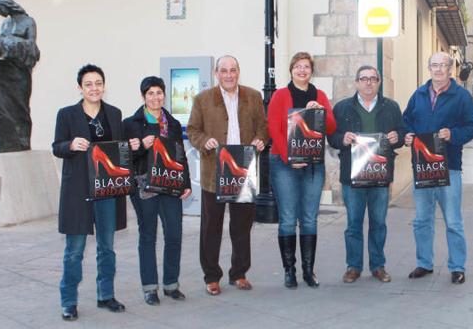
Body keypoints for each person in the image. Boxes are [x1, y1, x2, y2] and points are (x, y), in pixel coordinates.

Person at [52, 65, 140, 321]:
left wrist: (131, 146)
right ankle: (68, 301)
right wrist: (69, 144)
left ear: (104, 86)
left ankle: (106, 295)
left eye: (98, 83)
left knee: (107, 247)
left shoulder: (114, 114)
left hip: (108, 190)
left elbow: (120, 151)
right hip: (78, 190)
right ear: (80, 88)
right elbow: (56, 147)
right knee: (75, 249)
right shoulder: (67, 115)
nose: (94, 88)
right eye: (88, 84)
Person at [187, 55, 268, 296]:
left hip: (244, 170)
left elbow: (263, 127)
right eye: (224, 71)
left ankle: (239, 273)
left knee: (242, 226)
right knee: (211, 227)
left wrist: (260, 140)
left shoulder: (253, 97)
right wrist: (205, 141)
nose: (229, 75)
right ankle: (212, 276)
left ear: (238, 71)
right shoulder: (202, 99)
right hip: (214, 173)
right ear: (216, 73)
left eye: (233, 70)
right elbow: (193, 130)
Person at [403, 52, 473, 285]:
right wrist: (407, 135)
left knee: (453, 221)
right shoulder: (418, 95)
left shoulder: (462, 96)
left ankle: (457, 266)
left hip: (450, 168)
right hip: (423, 167)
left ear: (450, 69)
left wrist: (453, 134)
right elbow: (406, 120)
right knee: (422, 220)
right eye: (434, 65)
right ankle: (424, 263)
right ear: (429, 68)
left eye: (443, 65)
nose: (438, 69)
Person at [329, 65, 405, 283]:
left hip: (380, 176)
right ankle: (353, 267)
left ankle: (378, 266)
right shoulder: (343, 108)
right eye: (364, 79)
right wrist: (342, 139)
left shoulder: (391, 107)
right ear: (356, 82)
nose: (368, 83)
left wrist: (396, 137)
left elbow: (401, 132)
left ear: (379, 82)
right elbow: (331, 136)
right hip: (352, 176)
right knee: (353, 223)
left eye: (373, 78)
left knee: (378, 222)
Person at [267, 52, 337, 289]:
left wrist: (321, 111)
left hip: (313, 164)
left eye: (306, 66)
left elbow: (331, 126)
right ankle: (289, 271)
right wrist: (289, 158)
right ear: (291, 70)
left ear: (311, 70)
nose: (302, 70)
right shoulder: (280, 95)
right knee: (287, 218)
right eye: (297, 66)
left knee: (309, 218)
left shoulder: (320, 95)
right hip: (284, 164)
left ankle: (308, 270)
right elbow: (274, 130)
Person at [123, 76, 192, 305]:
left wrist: (186, 183)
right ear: (143, 97)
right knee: (148, 235)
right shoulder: (131, 124)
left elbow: (180, 155)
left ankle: (171, 284)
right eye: (150, 93)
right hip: (144, 187)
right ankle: (150, 288)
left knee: (174, 234)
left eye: (159, 93)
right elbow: (125, 159)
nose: (155, 97)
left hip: (170, 184)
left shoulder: (172, 123)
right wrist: (142, 146)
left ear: (165, 95)